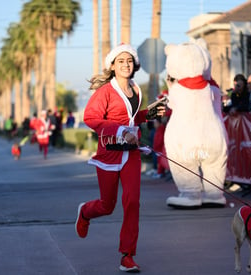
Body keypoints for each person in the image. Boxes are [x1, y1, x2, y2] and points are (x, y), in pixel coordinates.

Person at [75, 43, 165, 273]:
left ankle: (127, 255)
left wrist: (149, 113)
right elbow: (91, 118)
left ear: (135, 65)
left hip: (131, 154)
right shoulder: (105, 92)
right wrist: (120, 131)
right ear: (112, 65)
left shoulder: (136, 89)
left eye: (129, 61)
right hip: (109, 153)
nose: (126, 64)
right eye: (121, 61)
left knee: (132, 202)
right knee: (108, 205)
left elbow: (132, 118)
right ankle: (85, 212)